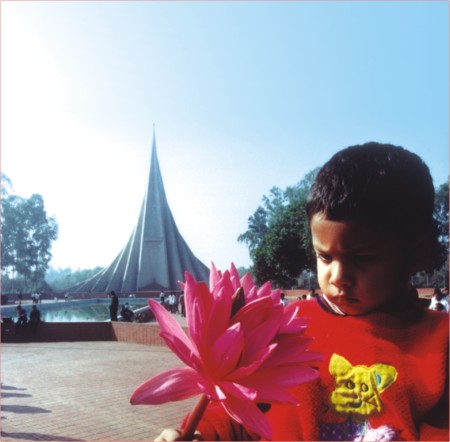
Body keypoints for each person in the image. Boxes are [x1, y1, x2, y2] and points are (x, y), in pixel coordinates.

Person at [156, 143, 449, 441]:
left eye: (363, 258)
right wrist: (201, 433)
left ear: (418, 253)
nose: (338, 277)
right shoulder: (287, 326)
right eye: (325, 256)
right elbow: (241, 408)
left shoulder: (441, 342)